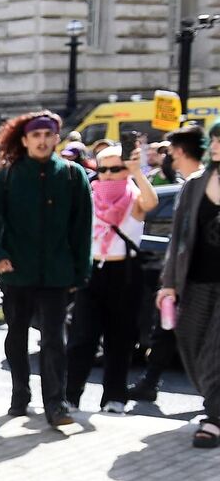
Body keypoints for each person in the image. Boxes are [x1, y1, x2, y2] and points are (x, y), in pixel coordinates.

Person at [0, 111, 94, 426]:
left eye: (48, 135)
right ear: (26, 140)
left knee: (55, 339)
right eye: (36, 136)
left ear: (57, 138)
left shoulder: (72, 175)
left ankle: (56, 404)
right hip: (17, 272)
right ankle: (20, 396)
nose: (42, 141)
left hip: (57, 274)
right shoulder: (9, 174)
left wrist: (81, 271)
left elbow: (83, 228)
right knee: (16, 335)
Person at [65, 144, 158, 416]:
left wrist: (136, 172)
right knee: (82, 338)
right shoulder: (90, 197)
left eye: (115, 168)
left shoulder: (134, 197)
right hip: (93, 271)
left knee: (120, 340)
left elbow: (151, 203)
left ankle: (114, 398)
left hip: (125, 272)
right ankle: (70, 396)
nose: (107, 175)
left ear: (126, 169)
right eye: (102, 168)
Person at [134, 125, 211, 403]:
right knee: (169, 332)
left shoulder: (204, 186)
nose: (170, 160)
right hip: (183, 278)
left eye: (172, 153)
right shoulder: (191, 186)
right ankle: (153, 381)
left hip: (203, 280)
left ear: (179, 151)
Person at [155, 122, 220, 449]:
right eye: (215, 139)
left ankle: (214, 418)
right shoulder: (196, 183)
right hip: (194, 280)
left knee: (215, 350)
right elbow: (177, 237)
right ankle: (214, 400)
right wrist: (168, 284)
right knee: (189, 339)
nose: (218, 145)